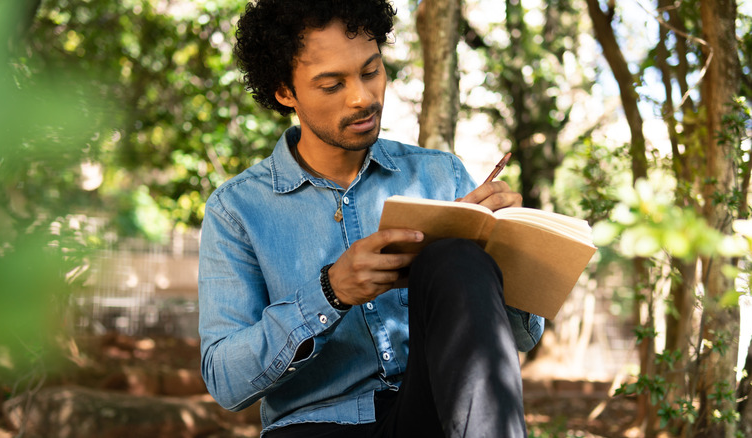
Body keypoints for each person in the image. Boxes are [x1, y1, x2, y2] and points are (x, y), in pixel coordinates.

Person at [198, 1, 545, 436]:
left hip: (437, 413)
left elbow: (523, 339)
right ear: (285, 91)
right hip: (316, 424)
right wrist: (331, 292)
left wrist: (503, 253)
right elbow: (226, 383)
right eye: (331, 85)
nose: (363, 97)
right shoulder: (237, 210)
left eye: (371, 71)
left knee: (459, 257)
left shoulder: (442, 174)